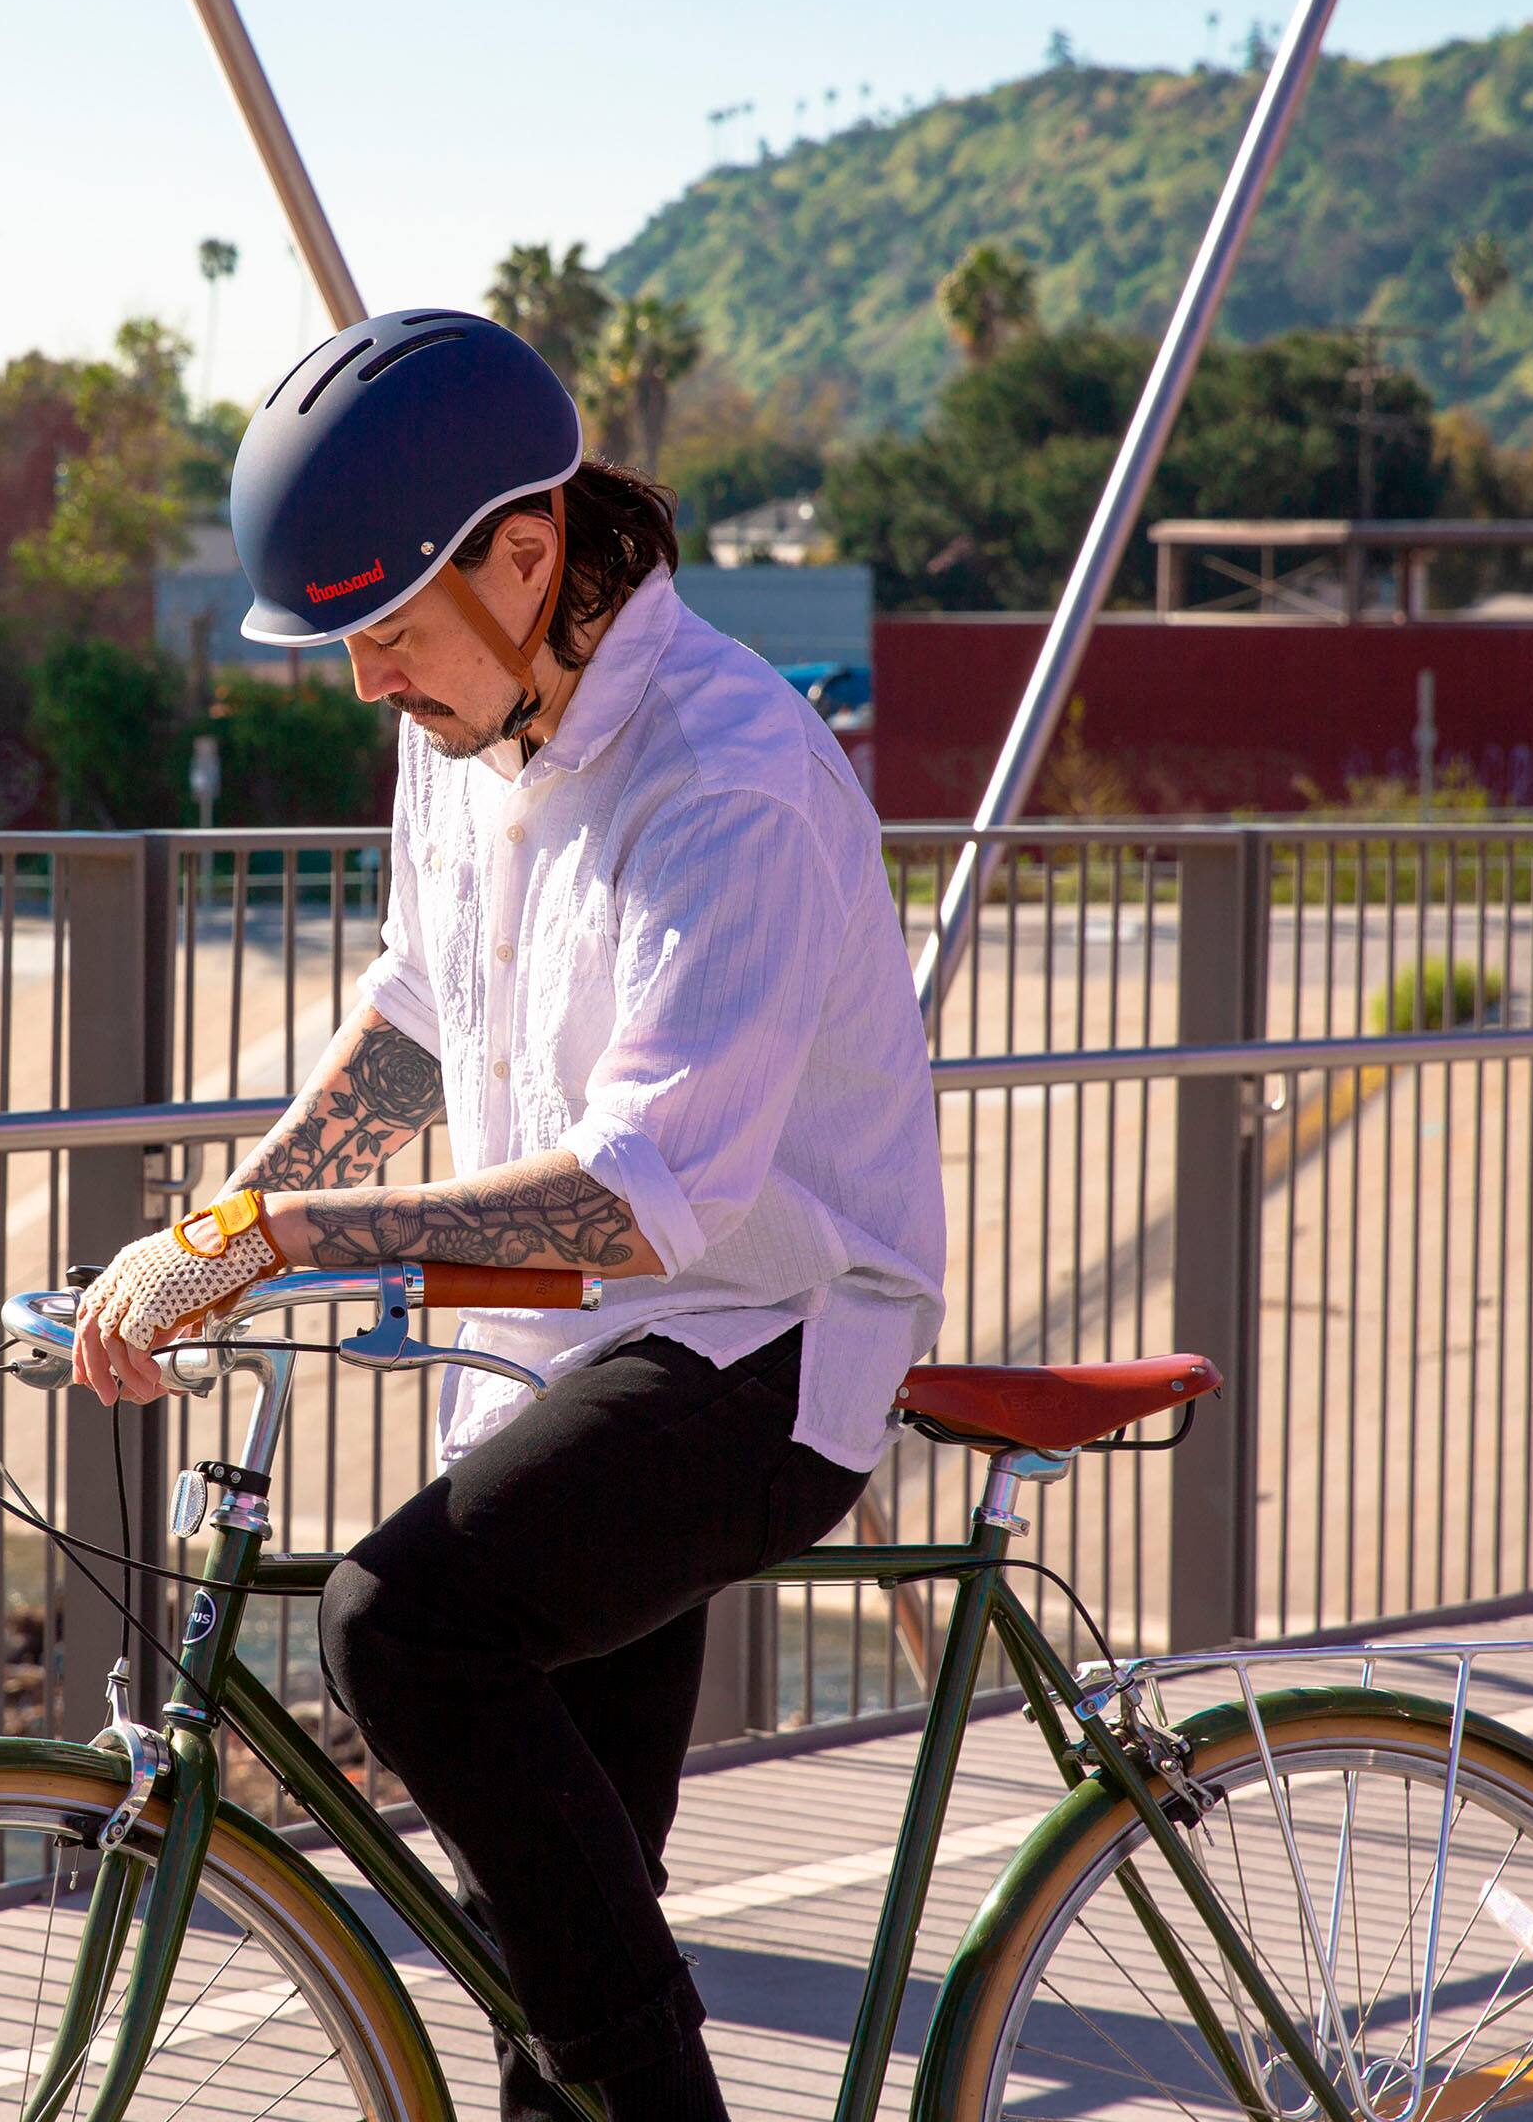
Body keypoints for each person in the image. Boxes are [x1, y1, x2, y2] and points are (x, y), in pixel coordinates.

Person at [70, 308, 946, 2121]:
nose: (368, 684)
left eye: (384, 633)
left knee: (402, 1626)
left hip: (756, 1344)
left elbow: (649, 1200)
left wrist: (279, 1248)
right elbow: (415, 1004)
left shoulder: (731, 777)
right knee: (541, 1954)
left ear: (528, 557)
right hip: (552, 1355)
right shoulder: (471, 721)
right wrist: (231, 1211)